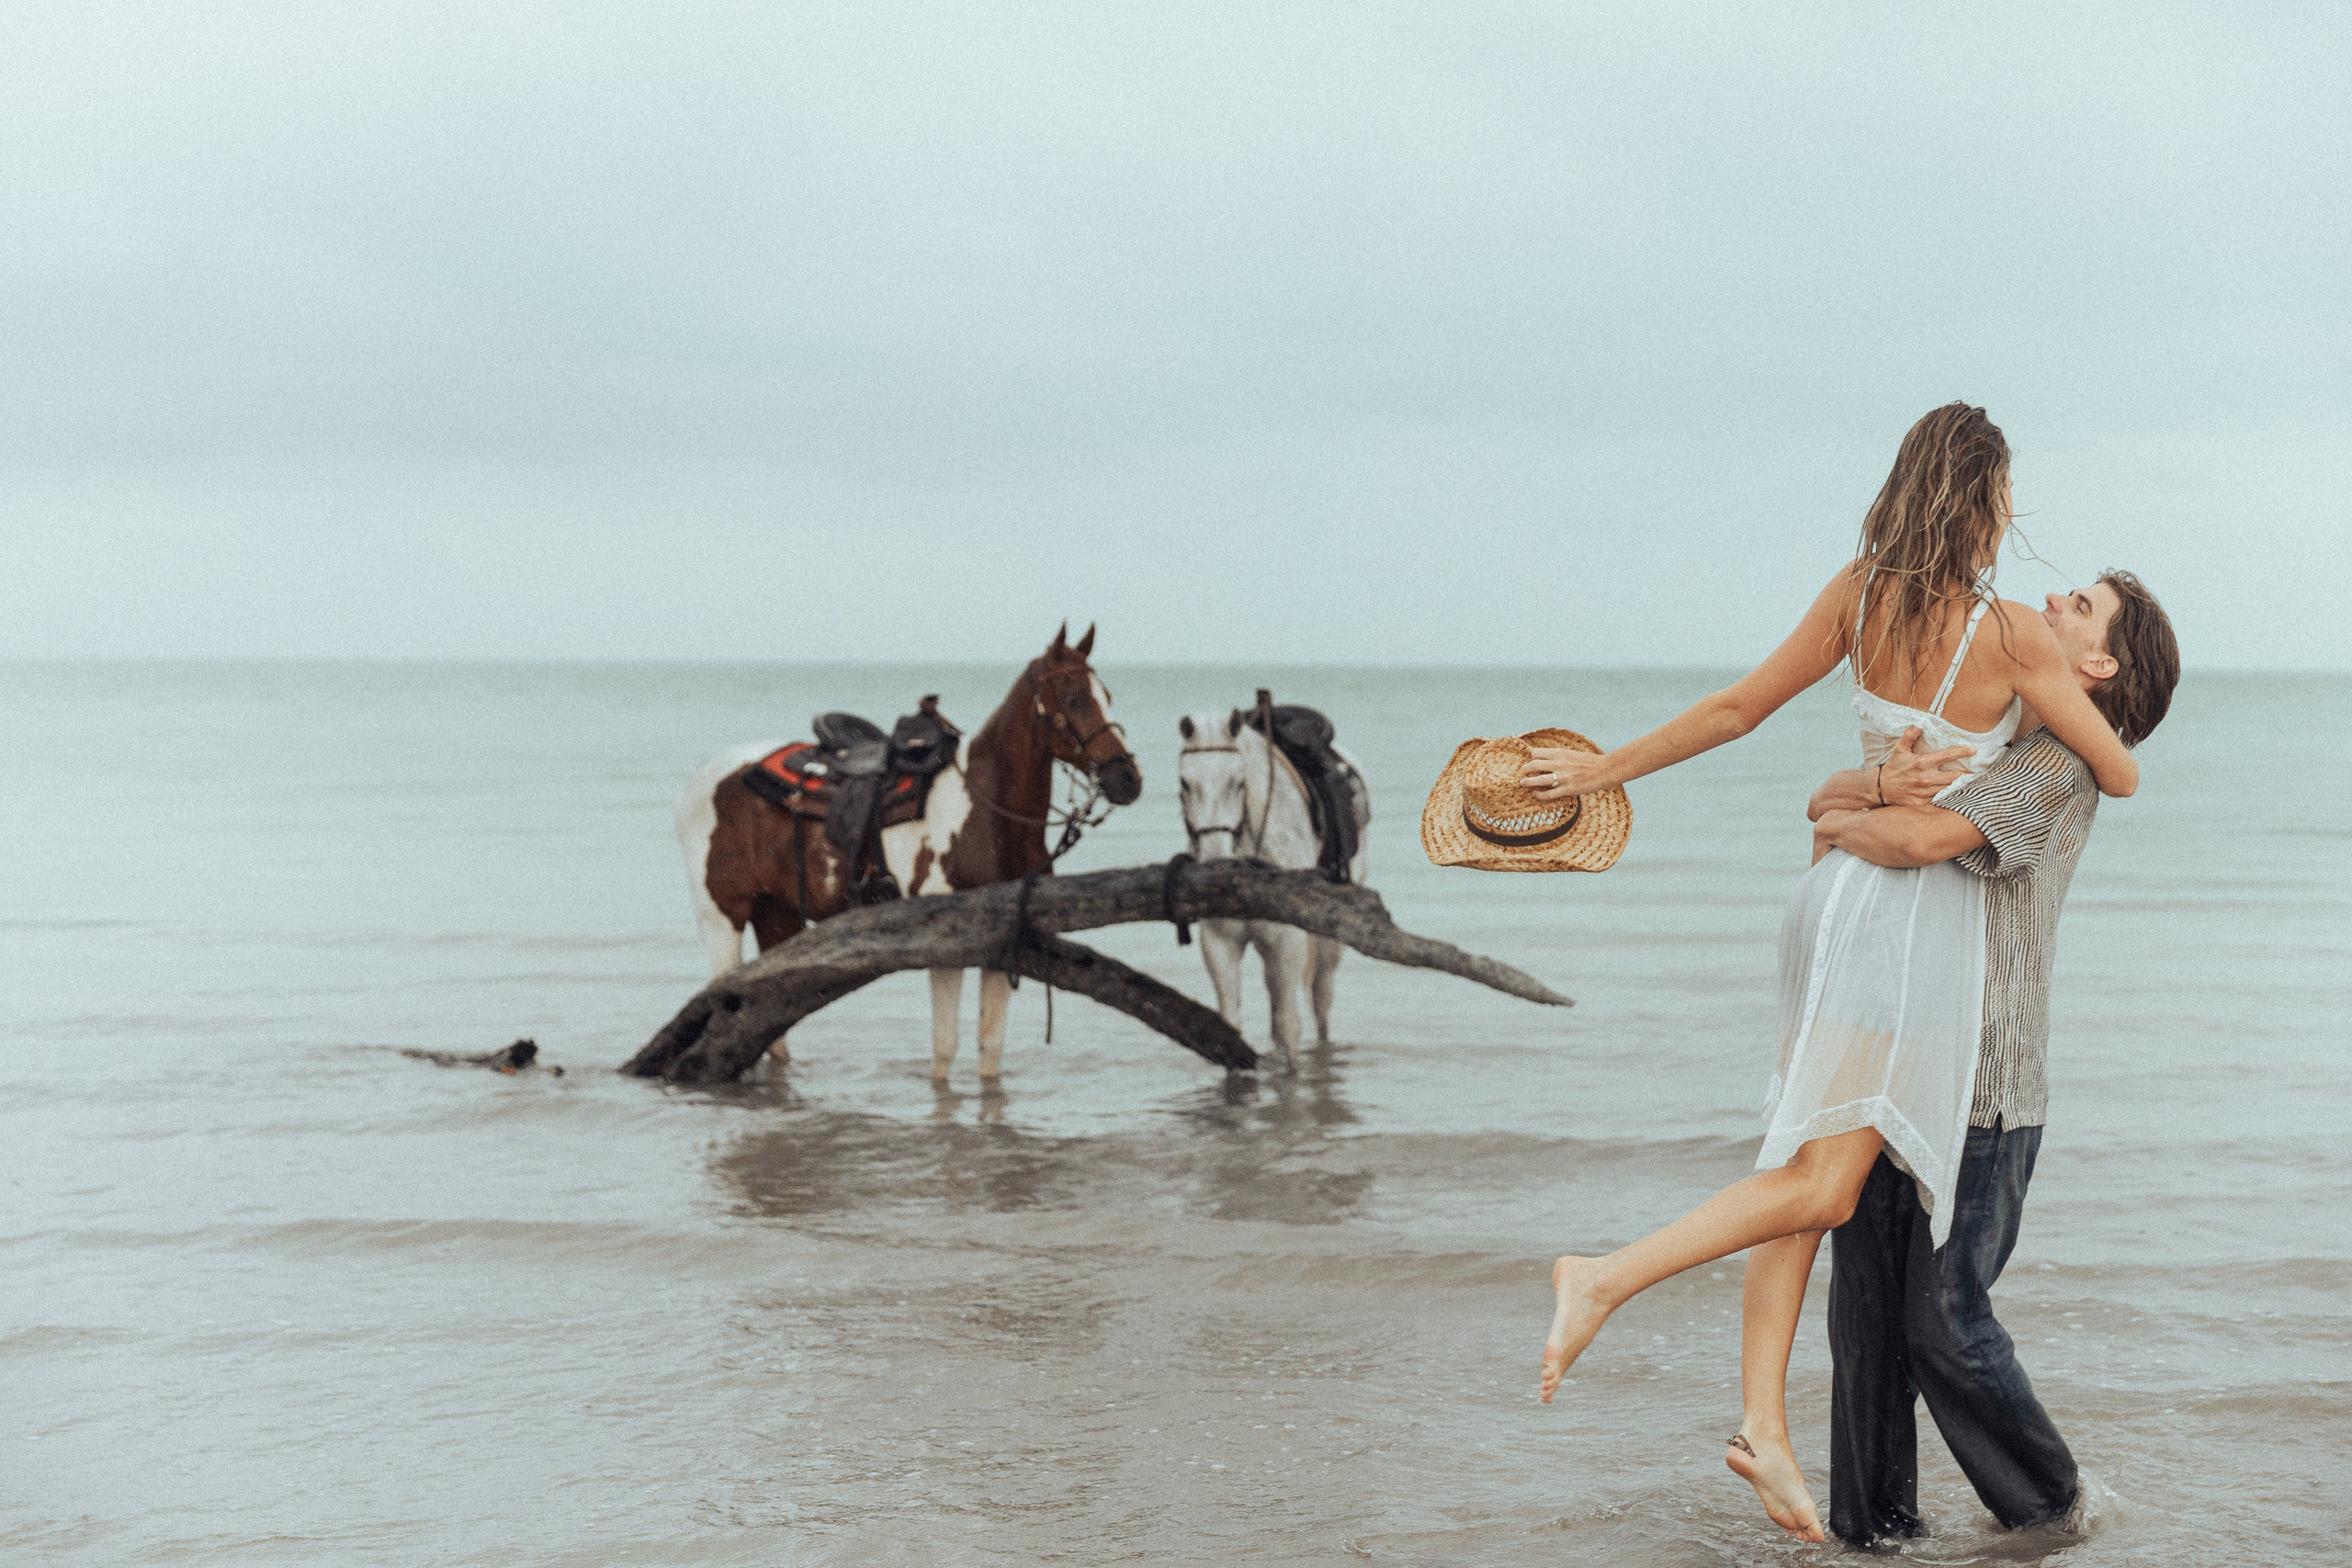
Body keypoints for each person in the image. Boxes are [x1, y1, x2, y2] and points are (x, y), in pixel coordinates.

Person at [1519, 403, 2143, 1541]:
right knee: (1820, 1185)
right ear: (1985, 500)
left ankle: (1766, 1425)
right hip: (1904, 930)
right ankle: (1602, 1279)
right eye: (2007, 495)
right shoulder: (2009, 633)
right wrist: (2008, 743)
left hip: (1826, 904)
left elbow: (1736, 709)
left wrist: (1605, 771)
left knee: (1801, 1169)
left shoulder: (1858, 592)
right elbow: (2115, 765)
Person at [1797, 569, 2177, 1546]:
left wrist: (1845, 821)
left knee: (1943, 1320)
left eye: (2080, 608)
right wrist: (1849, 814)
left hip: (1985, 1089)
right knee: (1867, 1326)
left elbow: (1921, 836)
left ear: (2097, 665)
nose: (2052, 601)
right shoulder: (2002, 740)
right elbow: (1858, 815)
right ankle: (1870, 1535)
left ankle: (2054, 1510)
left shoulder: (2055, 763)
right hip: (1902, 1057)